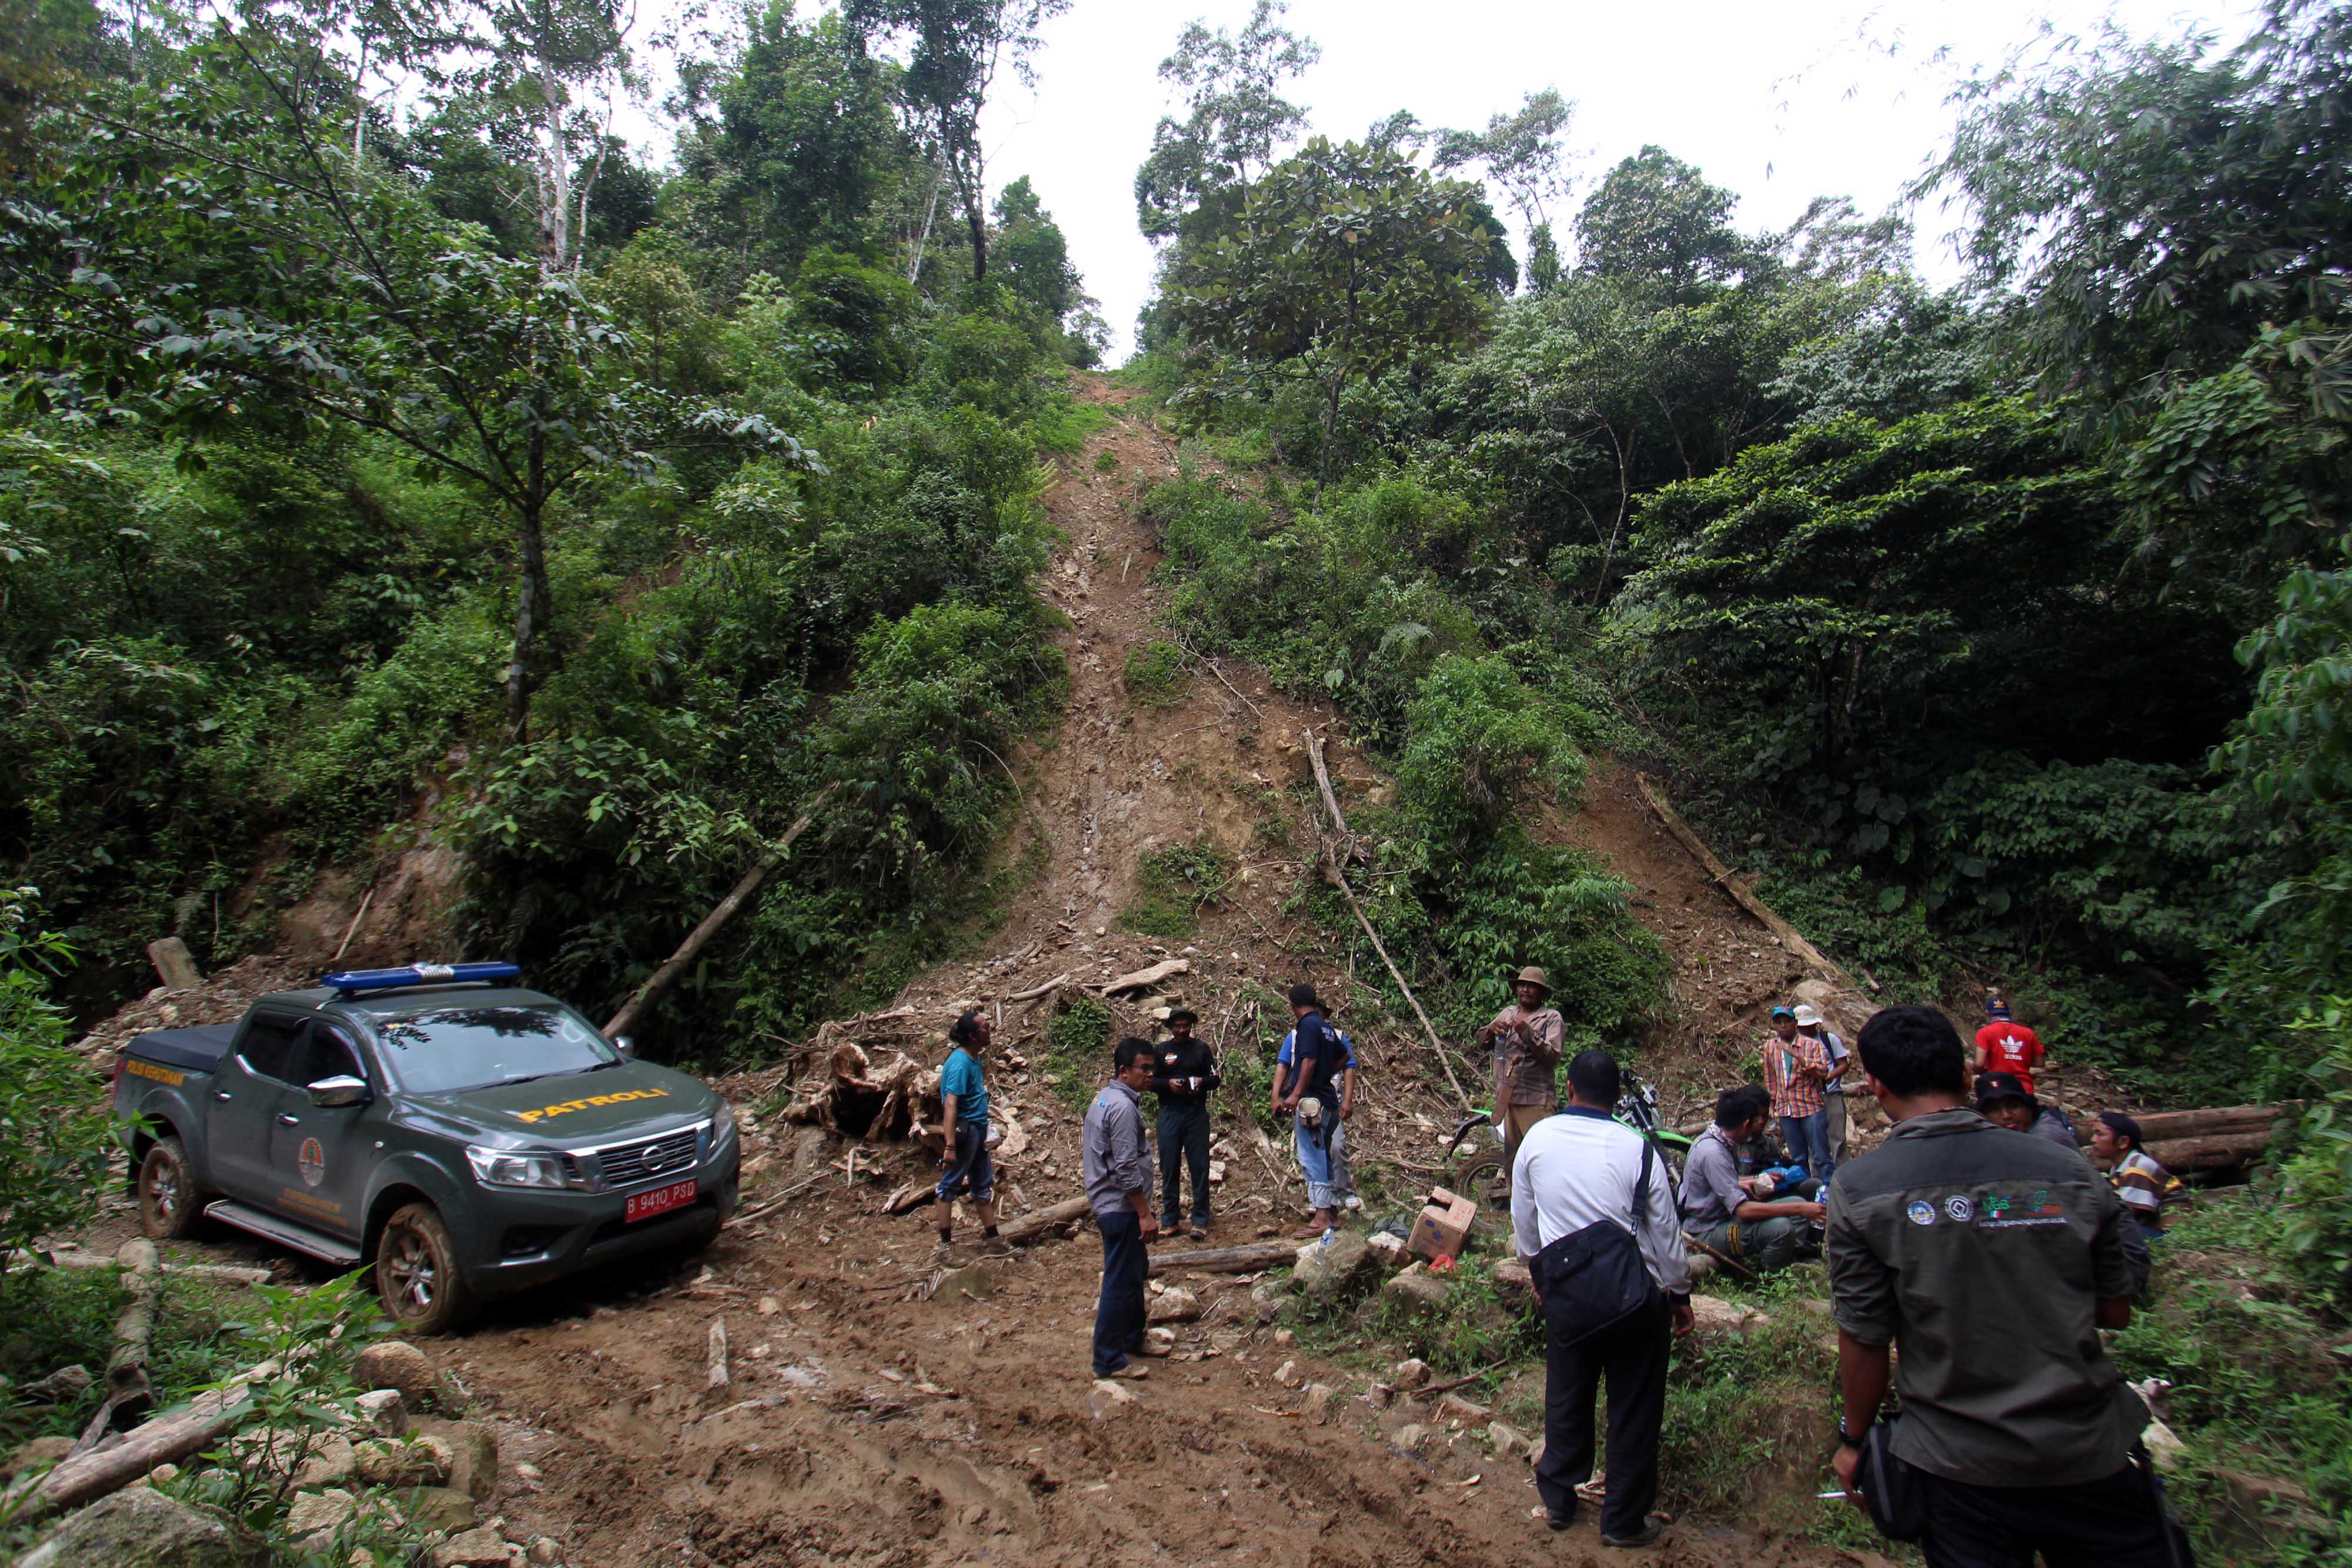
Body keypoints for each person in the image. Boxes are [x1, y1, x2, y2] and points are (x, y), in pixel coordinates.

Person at [1826, 1006, 2181, 1567]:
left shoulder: (1860, 1188)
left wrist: (1854, 1439)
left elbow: (1866, 1339)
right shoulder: (2070, 1171)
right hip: (2090, 1449)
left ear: (1875, 1086)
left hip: (1958, 1468)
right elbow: (2116, 1310)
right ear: (1969, 1077)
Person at [1512, 1049, 1695, 1549]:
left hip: (1567, 1293)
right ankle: (1623, 1519)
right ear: (1618, 1098)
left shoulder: (1538, 1139)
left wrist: (1539, 1271)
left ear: (1568, 1089)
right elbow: (1666, 1235)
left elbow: (1524, 1221)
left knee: (1567, 1392)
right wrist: (1679, 1295)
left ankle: (1558, 1499)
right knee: (1635, 1406)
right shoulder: (1639, 1148)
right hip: (1636, 1298)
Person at [1682, 1085, 1825, 1273]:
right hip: (1708, 1230)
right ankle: (1769, 1280)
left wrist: (1746, 1182)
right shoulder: (1713, 1153)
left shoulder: (1719, 1142)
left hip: (1722, 1218)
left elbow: (1722, 1183)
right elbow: (1743, 1211)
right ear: (1746, 1124)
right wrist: (1802, 1209)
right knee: (1781, 1228)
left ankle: (1792, 1258)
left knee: (1796, 1201)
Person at [1083, 1038, 1160, 1380]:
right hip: (1121, 1206)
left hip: (1109, 1201)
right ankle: (1108, 1360)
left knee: (1134, 1271)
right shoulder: (1123, 1108)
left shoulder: (1104, 1098)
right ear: (1124, 1071)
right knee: (1119, 1280)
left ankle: (1132, 1339)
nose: (1150, 1075)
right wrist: (1144, 1212)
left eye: (1152, 1068)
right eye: (1144, 1068)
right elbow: (1126, 1167)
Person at [1274, 983, 1353, 1236]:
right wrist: (1326, 1073)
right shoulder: (1327, 1028)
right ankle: (1332, 1215)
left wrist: (1296, 1094)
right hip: (1329, 1101)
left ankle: (1320, 1216)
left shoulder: (1307, 1026)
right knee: (1326, 1159)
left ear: (1293, 1005)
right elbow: (1344, 1057)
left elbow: (1307, 1059)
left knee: (1312, 1157)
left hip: (1312, 1103)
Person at [933, 1011, 1006, 1262]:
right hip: (965, 1132)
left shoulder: (974, 1059)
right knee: (949, 1186)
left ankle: (993, 1239)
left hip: (977, 1129)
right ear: (973, 1036)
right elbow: (950, 1104)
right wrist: (950, 1145)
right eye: (986, 1028)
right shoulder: (961, 1063)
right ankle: (944, 1248)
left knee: (981, 1183)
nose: (990, 1030)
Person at [1477, 964, 1565, 1171]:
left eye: (1532, 986)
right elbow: (1481, 1043)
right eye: (1522, 985)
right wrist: (1491, 1030)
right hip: (1509, 1100)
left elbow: (1552, 1056)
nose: (1525, 989)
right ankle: (1515, 1201)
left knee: (1541, 1162)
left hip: (1536, 1101)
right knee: (1514, 1162)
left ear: (1542, 993)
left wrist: (1526, 1032)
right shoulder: (1508, 1013)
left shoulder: (1551, 1018)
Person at [1150, 1005, 1220, 1241]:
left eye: (1186, 1026)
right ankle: (1170, 1218)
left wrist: (1200, 1081)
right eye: (1177, 1026)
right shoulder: (1162, 1051)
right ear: (1170, 1028)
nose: (1182, 1030)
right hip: (1169, 1113)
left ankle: (1200, 1219)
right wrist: (1168, 1085)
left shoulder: (1201, 1049)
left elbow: (1215, 1079)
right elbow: (1151, 1082)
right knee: (1169, 1166)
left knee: (1199, 1166)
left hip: (1195, 1113)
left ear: (1192, 1027)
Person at [1762, 1005, 1836, 1187]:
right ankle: (1805, 1195)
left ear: (1795, 1023)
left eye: (1787, 1021)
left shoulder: (1811, 1045)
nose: (1783, 1026)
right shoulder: (1770, 1047)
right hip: (1787, 1109)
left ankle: (1831, 1193)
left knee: (1821, 1156)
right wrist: (1772, 1106)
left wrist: (1795, 1054)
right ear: (1774, 1025)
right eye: (1779, 1022)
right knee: (1798, 1158)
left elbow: (1822, 1072)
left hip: (1810, 1107)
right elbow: (1771, 1079)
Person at [2090, 1112, 2171, 1242]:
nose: (2093, 1140)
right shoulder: (2120, 1168)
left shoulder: (2138, 1168)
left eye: (2100, 1134)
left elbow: (2124, 1217)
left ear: (2123, 1142)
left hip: (2169, 1236)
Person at [1798, 1005, 1853, 1162]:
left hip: (1831, 1094)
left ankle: (1842, 1173)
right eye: (1802, 1027)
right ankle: (1818, 1178)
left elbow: (1843, 1064)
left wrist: (1828, 1077)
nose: (1806, 1029)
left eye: (1808, 1026)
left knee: (1838, 1137)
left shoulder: (1829, 1039)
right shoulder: (1795, 1045)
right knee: (1813, 1140)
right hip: (1807, 1098)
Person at [1975, 1071, 2080, 1152]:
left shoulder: (2046, 1137)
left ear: (2028, 1106)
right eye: (1995, 1110)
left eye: (2014, 1106)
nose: (2007, 1115)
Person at [1974, 992, 2048, 1094]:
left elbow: (1979, 1064)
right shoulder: (2028, 1033)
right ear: (2009, 1013)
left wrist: (1978, 1071)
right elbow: (2040, 1063)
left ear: (1989, 1014)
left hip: (1996, 1088)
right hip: (2024, 1089)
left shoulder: (1985, 1032)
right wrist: (2019, 1060)